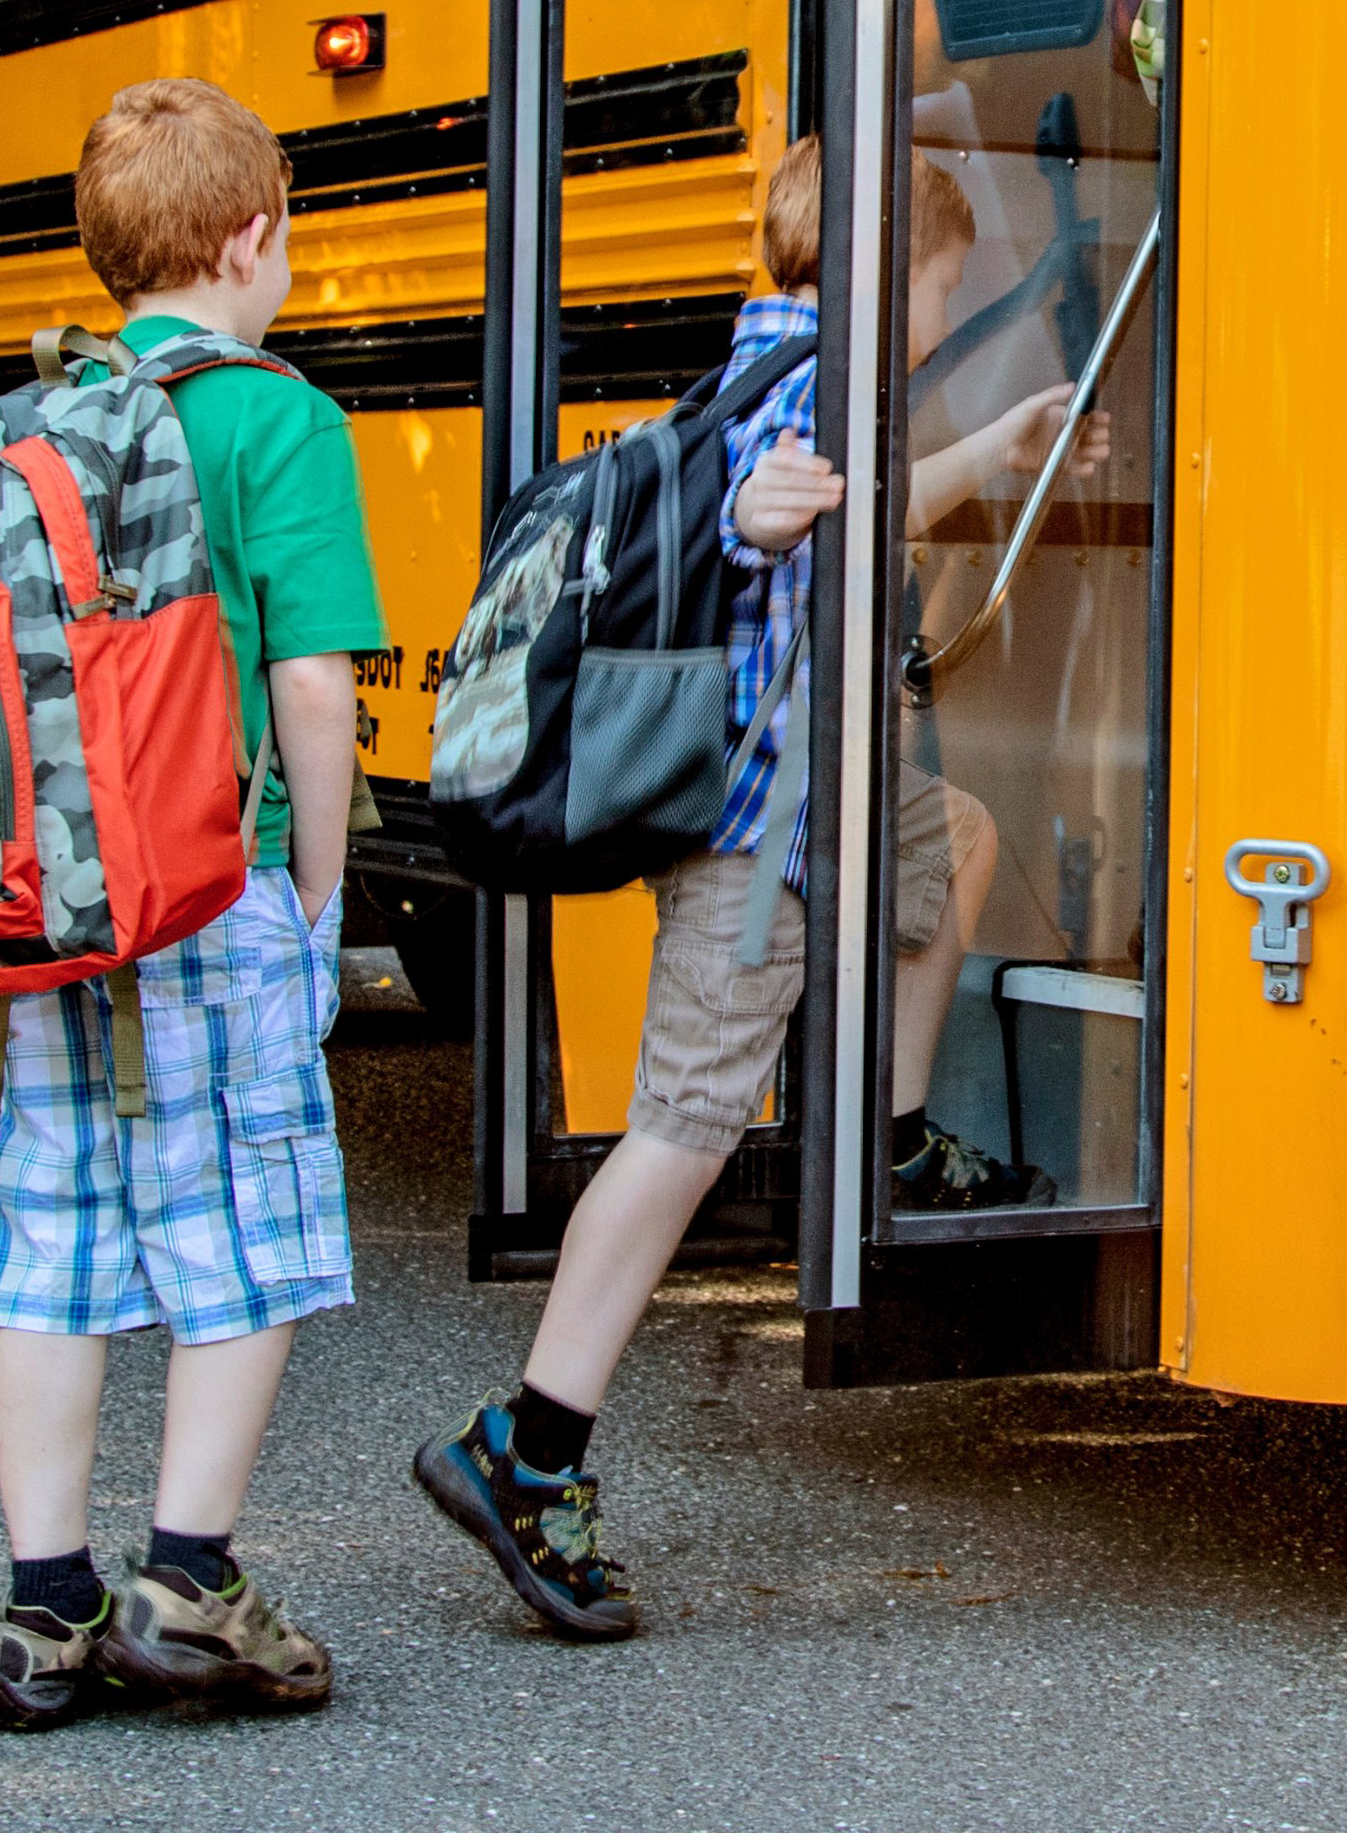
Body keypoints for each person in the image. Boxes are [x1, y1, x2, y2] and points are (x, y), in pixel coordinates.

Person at [415, 130, 1061, 1638]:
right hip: (755, 838)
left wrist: (994, 451)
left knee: (949, 836)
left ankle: (893, 1136)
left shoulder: (765, 366)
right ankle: (530, 1445)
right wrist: (762, 517)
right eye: (942, 281)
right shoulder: (804, 395)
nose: (943, 308)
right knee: (683, 1125)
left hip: (818, 802)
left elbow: (856, 501)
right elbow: (765, 506)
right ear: (890, 266)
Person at [0, 77, 392, 1731]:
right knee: (246, 1227)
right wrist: (321, 893)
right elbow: (313, 683)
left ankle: (39, 1606)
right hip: (210, 890)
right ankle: (186, 1575)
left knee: (49, 1230)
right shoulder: (278, 418)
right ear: (253, 235)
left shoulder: (27, 419)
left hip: (44, 899)